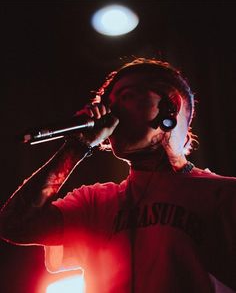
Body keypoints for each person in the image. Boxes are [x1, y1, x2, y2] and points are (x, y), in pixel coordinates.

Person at [0, 57, 236, 293]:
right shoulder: (94, 203)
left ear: (170, 105)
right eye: (108, 103)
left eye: (127, 96)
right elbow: (14, 224)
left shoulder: (222, 196)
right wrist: (77, 147)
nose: (112, 111)